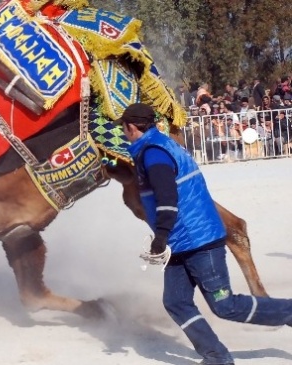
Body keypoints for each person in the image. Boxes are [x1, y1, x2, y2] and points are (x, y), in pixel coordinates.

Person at [117, 103, 292, 365]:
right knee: (176, 302)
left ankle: (288, 311)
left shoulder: (154, 154)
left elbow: (166, 197)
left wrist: (160, 235)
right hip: (181, 242)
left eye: (123, 128)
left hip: (199, 241)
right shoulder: (157, 146)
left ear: (131, 127)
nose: (123, 132)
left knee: (225, 305)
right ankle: (216, 357)